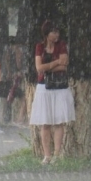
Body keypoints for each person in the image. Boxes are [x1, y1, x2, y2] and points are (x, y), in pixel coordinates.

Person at [29, 20, 75, 164]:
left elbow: (64, 66)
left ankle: (56, 154)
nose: (56, 35)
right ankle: (47, 155)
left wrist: (47, 67)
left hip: (59, 87)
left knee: (59, 122)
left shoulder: (61, 45)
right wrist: (55, 63)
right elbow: (38, 68)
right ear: (46, 34)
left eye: (58, 32)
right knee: (45, 123)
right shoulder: (39, 47)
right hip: (44, 88)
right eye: (53, 32)